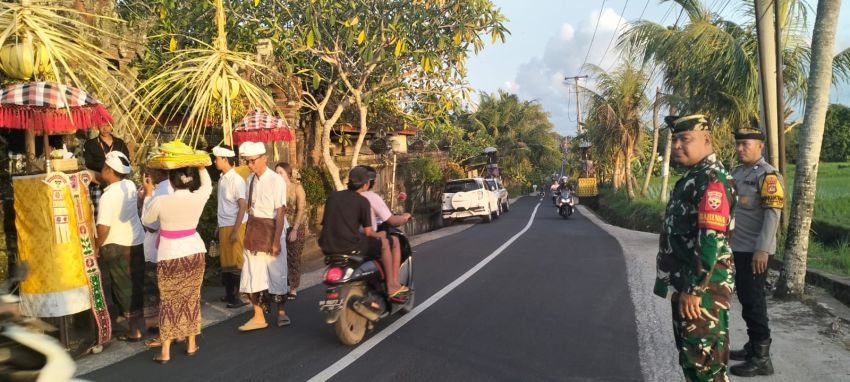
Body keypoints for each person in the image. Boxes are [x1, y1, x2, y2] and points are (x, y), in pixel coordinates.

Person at [653, 114, 736, 382]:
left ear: (707, 140)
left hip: (702, 295)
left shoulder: (711, 180)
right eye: (675, 139)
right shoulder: (694, 177)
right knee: (692, 363)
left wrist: (694, 289)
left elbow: (710, 240)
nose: (677, 145)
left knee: (706, 370)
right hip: (688, 289)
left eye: (684, 139)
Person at [142, 164, 212, 364]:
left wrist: (148, 195)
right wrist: (201, 167)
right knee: (191, 298)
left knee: (168, 301)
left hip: (169, 254)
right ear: (190, 179)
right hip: (194, 252)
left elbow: (147, 220)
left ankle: (166, 351)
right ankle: (191, 344)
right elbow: (207, 185)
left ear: (171, 181)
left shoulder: (160, 201)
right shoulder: (197, 197)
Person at [728, 123, 783, 377]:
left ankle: (762, 359)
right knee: (746, 299)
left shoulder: (769, 176)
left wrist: (762, 250)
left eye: (745, 144)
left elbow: (772, 216)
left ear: (760, 146)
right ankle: (752, 347)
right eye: (738, 144)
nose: (740, 149)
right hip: (738, 247)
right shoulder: (737, 174)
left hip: (755, 251)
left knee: (754, 301)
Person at [319, 167, 408, 300]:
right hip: (351, 246)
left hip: (327, 246)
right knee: (386, 242)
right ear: (366, 184)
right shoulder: (363, 200)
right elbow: (369, 231)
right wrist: (381, 235)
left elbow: (326, 223)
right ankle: (391, 286)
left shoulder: (333, 197)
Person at [237, 142, 289, 331]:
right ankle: (258, 316)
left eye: (252, 161)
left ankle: (281, 312)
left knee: (277, 274)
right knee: (252, 275)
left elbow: (280, 212)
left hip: (273, 230)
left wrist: (276, 241)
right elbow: (249, 209)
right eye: (247, 161)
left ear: (264, 158)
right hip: (255, 231)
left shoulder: (276, 180)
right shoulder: (249, 180)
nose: (250, 165)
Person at [95, 151, 145, 342]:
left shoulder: (108, 197)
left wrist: (96, 246)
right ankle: (138, 323)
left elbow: (103, 228)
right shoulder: (129, 185)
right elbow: (102, 178)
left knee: (122, 287)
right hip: (135, 241)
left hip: (117, 245)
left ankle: (133, 330)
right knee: (135, 283)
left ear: (108, 169)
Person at [357, 165, 411, 298]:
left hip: (341, 242)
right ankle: (392, 284)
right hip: (364, 240)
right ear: (368, 183)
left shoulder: (342, 197)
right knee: (391, 242)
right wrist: (404, 217)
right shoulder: (370, 196)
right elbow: (392, 220)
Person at [214, 145, 249, 308]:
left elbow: (242, 206)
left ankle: (238, 297)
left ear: (225, 159)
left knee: (236, 261)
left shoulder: (236, 180)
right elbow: (223, 205)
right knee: (226, 261)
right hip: (224, 224)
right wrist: (218, 224)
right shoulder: (222, 178)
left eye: (217, 159)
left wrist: (235, 230)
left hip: (236, 224)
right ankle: (229, 294)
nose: (215, 161)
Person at [140, 167, 172, 338]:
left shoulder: (159, 193)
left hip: (157, 247)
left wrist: (147, 195)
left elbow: (150, 224)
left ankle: (159, 325)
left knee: (156, 289)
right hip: (170, 248)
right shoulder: (172, 188)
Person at [274, 162, 307, 300]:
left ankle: (293, 288)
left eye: (280, 172)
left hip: (295, 226)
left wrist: (294, 229)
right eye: (276, 172)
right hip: (280, 226)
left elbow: (301, 209)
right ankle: (281, 285)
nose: (278, 175)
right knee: (280, 258)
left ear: (287, 174)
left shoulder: (296, 187)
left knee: (294, 257)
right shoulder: (274, 189)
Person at [83, 124, 130, 219]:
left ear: (112, 126)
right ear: (97, 126)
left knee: (118, 213)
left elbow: (126, 161)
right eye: (101, 126)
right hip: (98, 183)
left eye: (108, 126)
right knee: (100, 214)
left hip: (117, 184)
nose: (105, 129)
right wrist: (107, 167)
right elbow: (89, 163)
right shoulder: (90, 143)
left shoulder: (120, 143)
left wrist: (113, 170)